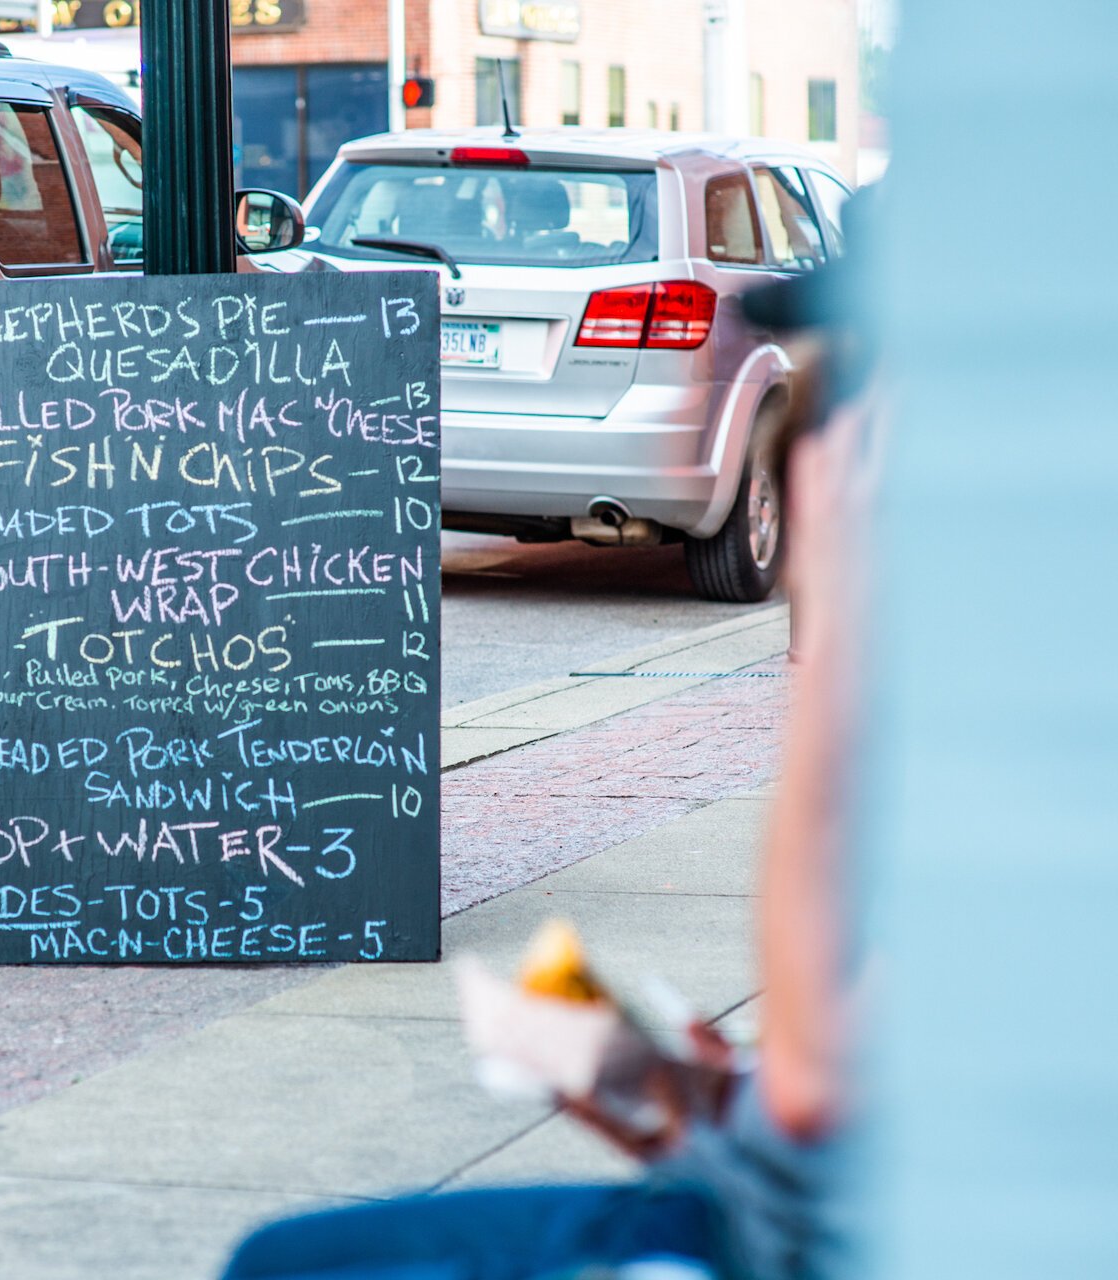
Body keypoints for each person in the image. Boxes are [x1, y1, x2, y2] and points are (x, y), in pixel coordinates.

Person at [219, 203, 883, 1280]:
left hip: (788, 1242)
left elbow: (819, 1090)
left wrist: (841, 637)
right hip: (765, 1198)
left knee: (290, 1267)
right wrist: (694, 1091)